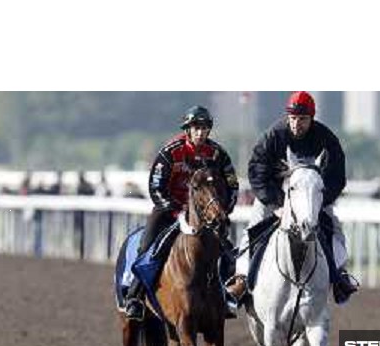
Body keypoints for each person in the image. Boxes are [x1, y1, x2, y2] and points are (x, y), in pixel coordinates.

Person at [225, 91, 358, 307]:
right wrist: (277, 203)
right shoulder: (273, 136)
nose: (297, 124)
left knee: (334, 227)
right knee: (254, 227)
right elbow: (256, 172)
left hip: (310, 198)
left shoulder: (326, 139)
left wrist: (318, 201)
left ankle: (340, 276)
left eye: (302, 119)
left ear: (311, 118)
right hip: (274, 197)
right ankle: (241, 279)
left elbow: (337, 177)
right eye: (293, 118)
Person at [124, 105, 239, 321]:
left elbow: (233, 186)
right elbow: (155, 187)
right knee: (146, 247)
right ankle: (134, 297)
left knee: (228, 251)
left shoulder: (218, 154)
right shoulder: (170, 152)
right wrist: (176, 210)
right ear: (187, 129)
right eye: (196, 128)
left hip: (205, 216)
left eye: (204, 128)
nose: (200, 132)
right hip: (169, 210)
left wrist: (223, 210)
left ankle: (228, 296)